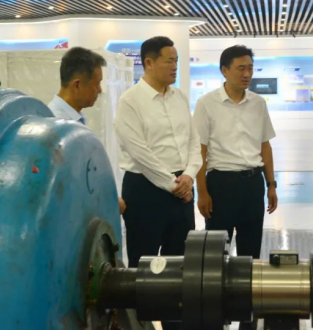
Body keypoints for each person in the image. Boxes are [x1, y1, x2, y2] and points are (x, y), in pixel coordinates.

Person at [115, 36, 202, 271]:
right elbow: (139, 153)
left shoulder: (179, 97)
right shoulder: (130, 101)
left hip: (182, 190)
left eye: (177, 61)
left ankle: (176, 299)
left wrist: (189, 175)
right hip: (145, 191)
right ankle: (145, 299)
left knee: (181, 262)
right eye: (169, 61)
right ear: (149, 63)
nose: (175, 66)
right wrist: (175, 185)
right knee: (144, 263)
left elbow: (193, 141)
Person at [194, 45, 279, 259]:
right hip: (220, 186)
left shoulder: (258, 103)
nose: (247, 74)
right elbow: (200, 150)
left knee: (250, 251)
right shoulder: (206, 104)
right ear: (224, 70)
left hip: (252, 185)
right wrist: (202, 192)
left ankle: (247, 282)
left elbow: (265, 146)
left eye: (250, 68)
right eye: (241, 68)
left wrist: (271, 184)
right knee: (215, 253)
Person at [47, 47, 127, 215]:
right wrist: (106, 204)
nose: (100, 90)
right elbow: (66, 184)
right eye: (96, 84)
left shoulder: (76, 119)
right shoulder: (55, 125)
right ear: (77, 85)